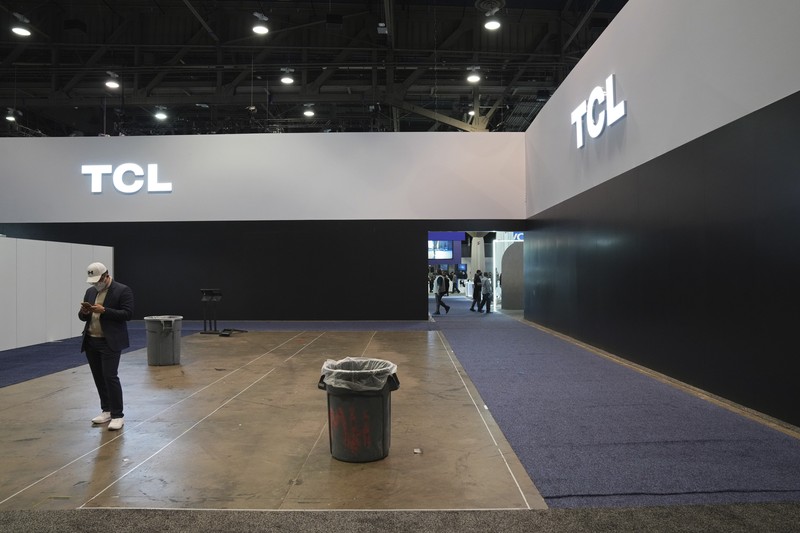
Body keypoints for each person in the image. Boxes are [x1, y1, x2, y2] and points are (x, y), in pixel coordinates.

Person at [78, 262, 134, 431]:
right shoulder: (90, 291)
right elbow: (82, 317)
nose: (96, 284)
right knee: (98, 377)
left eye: (98, 280)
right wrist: (84, 312)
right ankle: (106, 410)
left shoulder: (122, 290)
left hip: (109, 341)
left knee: (110, 376)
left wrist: (105, 311)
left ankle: (118, 415)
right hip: (91, 340)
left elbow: (128, 314)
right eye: (93, 282)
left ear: (106, 275)